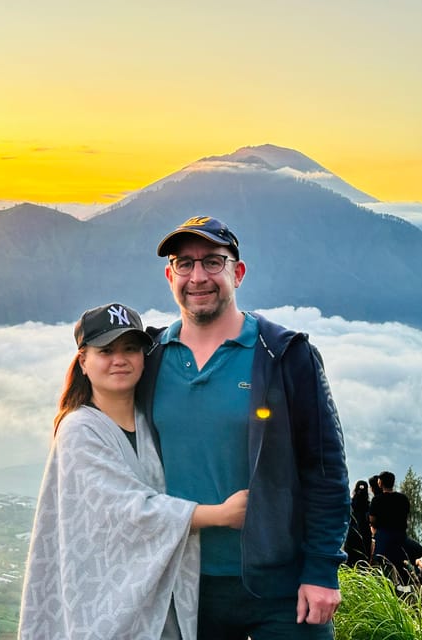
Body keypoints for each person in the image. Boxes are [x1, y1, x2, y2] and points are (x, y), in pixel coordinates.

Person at [138, 216, 350, 639]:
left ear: (238, 272)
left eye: (213, 262)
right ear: (169, 276)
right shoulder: (150, 358)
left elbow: (325, 471)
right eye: (184, 263)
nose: (198, 276)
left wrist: (322, 571)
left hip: (281, 587)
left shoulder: (285, 355)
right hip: (186, 584)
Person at [19, 302, 248, 640]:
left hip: (157, 594)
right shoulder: (79, 429)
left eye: (130, 348)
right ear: (83, 360)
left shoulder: (150, 421)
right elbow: (126, 510)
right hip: (103, 600)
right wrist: (219, 515)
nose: (120, 359)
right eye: (106, 350)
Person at [369, 470, 411, 578]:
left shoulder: (377, 500)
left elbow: (372, 520)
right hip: (400, 536)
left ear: (380, 483)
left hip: (384, 536)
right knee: (399, 564)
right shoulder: (403, 499)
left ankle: (387, 590)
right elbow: (406, 517)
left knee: (383, 566)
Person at [344, 480, 372, 566]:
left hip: (351, 533)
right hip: (365, 535)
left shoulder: (350, 503)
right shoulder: (369, 505)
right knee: (363, 561)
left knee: (350, 561)